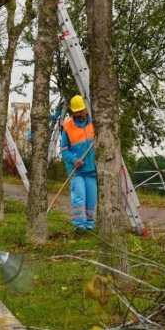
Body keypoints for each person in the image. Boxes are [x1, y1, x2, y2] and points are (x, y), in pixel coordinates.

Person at [59, 94, 97, 233]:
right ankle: (79, 226)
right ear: (73, 112)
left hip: (92, 169)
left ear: (86, 108)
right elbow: (64, 149)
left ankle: (89, 226)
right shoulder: (67, 126)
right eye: (77, 111)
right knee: (79, 197)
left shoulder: (95, 122)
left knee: (91, 199)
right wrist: (74, 160)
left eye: (82, 110)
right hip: (76, 170)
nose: (80, 113)